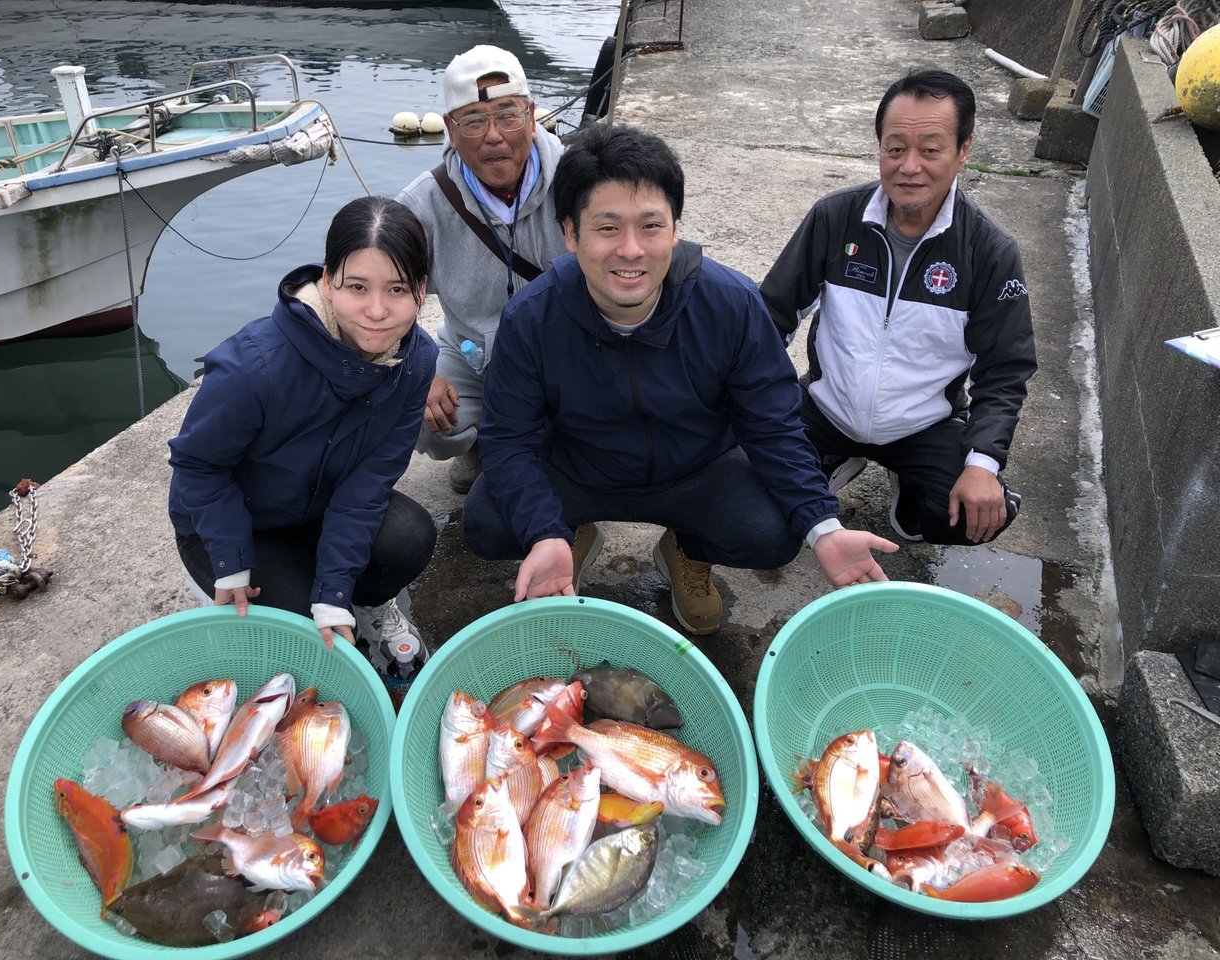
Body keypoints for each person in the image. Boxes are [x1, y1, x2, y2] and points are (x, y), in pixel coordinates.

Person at [462, 124, 897, 637]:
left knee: (777, 530)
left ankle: (687, 549)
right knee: (488, 521)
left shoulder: (732, 304)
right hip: (580, 467)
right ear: (571, 234)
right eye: (607, 228)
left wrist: (824, 526)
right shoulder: (532, 315)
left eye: (651, 226)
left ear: (675, 230)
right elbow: (508, 438)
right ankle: (566, 535)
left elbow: (773, 425)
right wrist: (542, 531)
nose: (631, 250)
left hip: (696, 470)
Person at [169, 196, 439, 691]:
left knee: (410, 536)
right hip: (237, 522)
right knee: (298, 634)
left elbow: (370, 482)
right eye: (357, 287)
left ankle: (367, 607)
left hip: (320, 508)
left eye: (398, 289)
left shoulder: (416, 362)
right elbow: (199, 466)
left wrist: (334, 590)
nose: (377, 311)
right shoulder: (255, 365)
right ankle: (233, 592)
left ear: (422, 290)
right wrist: (229, 561)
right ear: (328, 280)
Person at [760, 69, 1036, 546]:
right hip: (826, 410)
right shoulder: (834, 218)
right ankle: (832, 458)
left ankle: (912, 489)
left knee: (971, 517)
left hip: (925, 424)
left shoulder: (989, 249)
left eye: (930, 150)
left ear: (963, 150)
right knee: (757, 507)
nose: (909, 167)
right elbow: (771, 317)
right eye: (895, 149)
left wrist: (983, 464)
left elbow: (1005, 369)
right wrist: (751, 405)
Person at [397, 44, 568, 494]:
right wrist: (416, 367)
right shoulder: (420, 204)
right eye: (473, 121)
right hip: (474, 357)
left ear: (532, 116)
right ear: (451, 131)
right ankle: (481, 439)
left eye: (508, 115)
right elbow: (380, 295)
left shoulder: (578, 178)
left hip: (568, 356)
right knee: (422, 417)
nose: (494, 136)